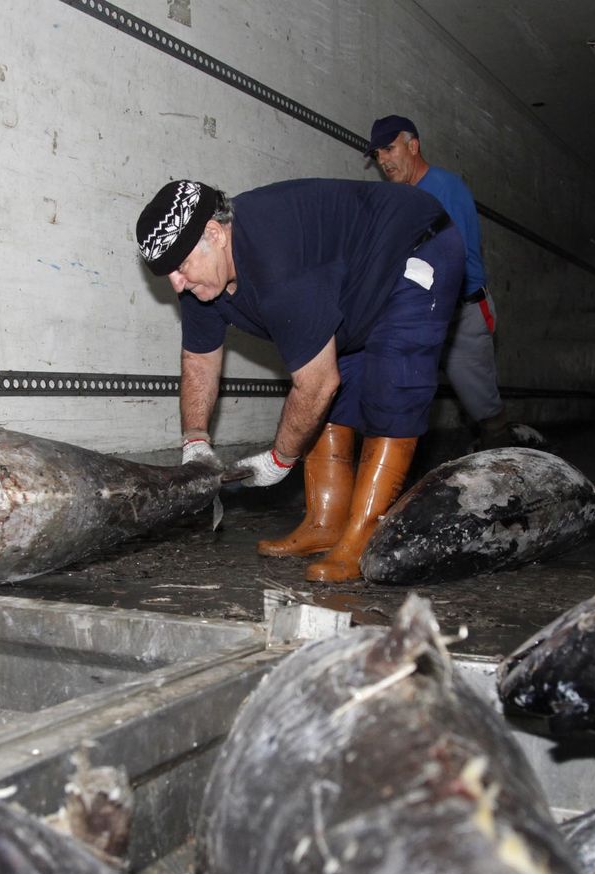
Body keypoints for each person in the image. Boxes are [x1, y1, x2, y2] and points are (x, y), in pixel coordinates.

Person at [134, 177, 465, 582]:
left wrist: (280, 458)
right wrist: (195, 441)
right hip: (351, 281)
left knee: (391, 388)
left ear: (215, 233)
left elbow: (316, 383)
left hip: (415, 247)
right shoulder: (201, 283)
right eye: (167, 273)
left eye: (180, 266)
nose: (176, 284)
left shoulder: (278, 263)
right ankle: (325, 523)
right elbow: (199, 360)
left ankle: (362, 538)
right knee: (334, 400)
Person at [368, 115, 516, 449]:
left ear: (413, 145)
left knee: (483, 407)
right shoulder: (402, 198)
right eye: (378, 154)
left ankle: (505, 461)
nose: (383, 161)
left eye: (389, 149)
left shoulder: (445, 189)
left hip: (462, 314)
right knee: (399, 392)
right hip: (425, 313)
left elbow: (454, 261)